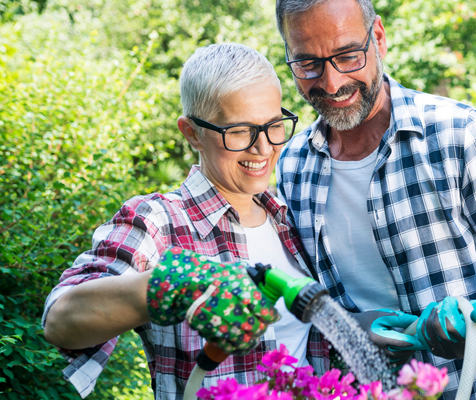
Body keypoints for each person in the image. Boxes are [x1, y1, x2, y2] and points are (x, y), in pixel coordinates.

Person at [274, 0, 476, 398]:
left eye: (347, 56)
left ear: (378, 38)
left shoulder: (460, 134)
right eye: (308, 64)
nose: (331, 82)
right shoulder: (291, 166)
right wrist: (346, 327)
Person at [42, 43, 314, 399]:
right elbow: (60, 320)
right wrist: (179, 282)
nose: (263, 148)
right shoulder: (159, 221)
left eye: (274, 125)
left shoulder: (289, 216)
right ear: (191, 133)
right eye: (238, 131)